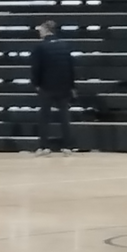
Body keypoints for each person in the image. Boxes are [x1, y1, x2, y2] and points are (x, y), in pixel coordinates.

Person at [30, 21, 77, 155]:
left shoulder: (40, 47)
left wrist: (36, 84)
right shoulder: (65, 46)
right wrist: (72, 86)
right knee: (64, 117)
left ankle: (44, 146)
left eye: (41, 30)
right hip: (64, 86)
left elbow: (36, 68)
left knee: (44, 117)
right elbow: (70, 67)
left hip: (46, 86)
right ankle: (68, 146)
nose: (39, 32)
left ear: (47, 30)